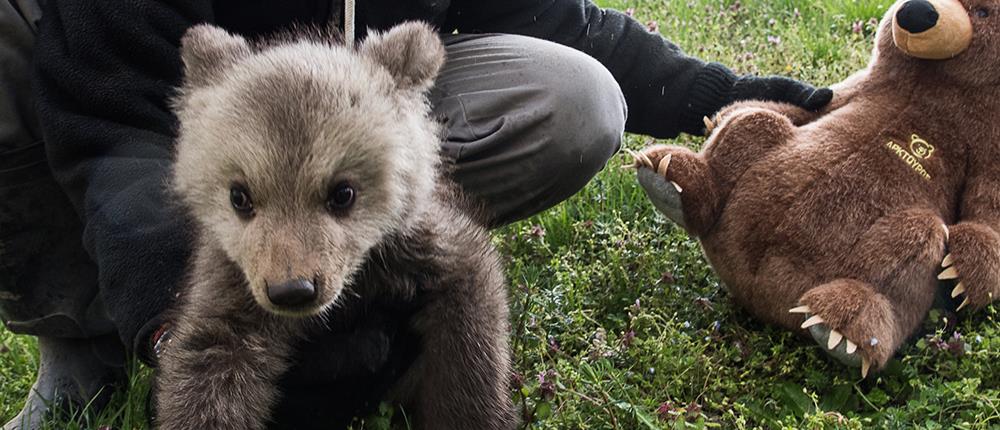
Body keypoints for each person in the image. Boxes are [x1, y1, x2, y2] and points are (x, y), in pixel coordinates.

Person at [1, 0, 833, 428]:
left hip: (362, 109)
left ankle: (377, 265)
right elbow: (108, 118)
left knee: (577, 94)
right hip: (173, 115)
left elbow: (569, 22)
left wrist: (765, 102)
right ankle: (82, 334)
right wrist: (166, 316)